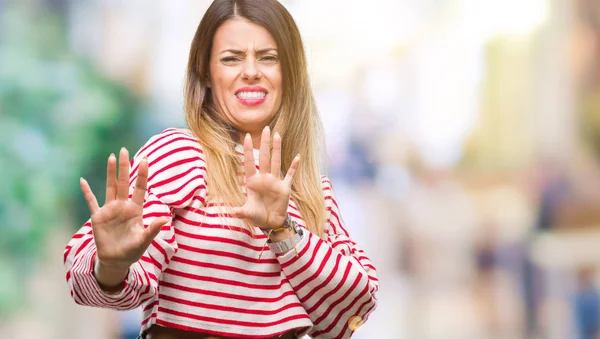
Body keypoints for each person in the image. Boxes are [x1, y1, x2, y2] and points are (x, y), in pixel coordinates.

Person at [63, 0, 379, 338]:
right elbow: (94, 279)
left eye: (268, 57)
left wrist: (283, 230)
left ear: (290, 73)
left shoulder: (311, 189)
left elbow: (351, 312)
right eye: (232, 58)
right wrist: (111, 265)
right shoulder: (180, 155)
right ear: (206, 75)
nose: (251, 71)